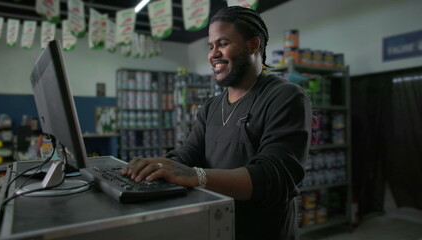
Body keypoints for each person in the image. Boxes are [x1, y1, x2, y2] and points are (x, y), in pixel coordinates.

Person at [121, 6, 312, 240]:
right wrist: (159, 167)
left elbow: (274, 176)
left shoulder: (285, 96)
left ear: (253, 45)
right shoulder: (212, 106)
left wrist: (197, 176)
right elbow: (189, 153)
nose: (213, 54)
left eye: (222, 44)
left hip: (263, 230)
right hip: (216, 225)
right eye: (210, 47)